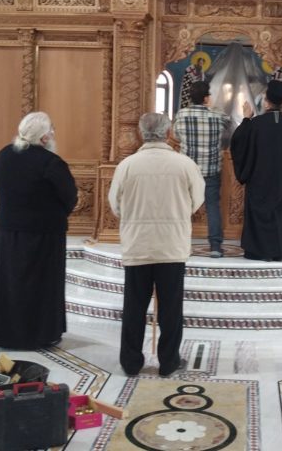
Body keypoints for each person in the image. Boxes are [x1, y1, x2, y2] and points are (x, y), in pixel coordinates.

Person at [109, 113, 205, 377]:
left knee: (134, 308)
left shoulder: (127, 165)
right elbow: (196, 201)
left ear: (141, 133)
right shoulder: (184, 164)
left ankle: (131, 362)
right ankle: (168, 362)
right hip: (171, 246)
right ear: (168, 133)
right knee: (171, 310)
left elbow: (115, 204)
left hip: (137, 245)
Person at [0, 111, 77, 349]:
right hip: (45, 234)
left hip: (9, 231)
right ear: (44, 138)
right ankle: (40, 334)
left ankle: (6, 333)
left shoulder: (4, 155)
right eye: (51, 130)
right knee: (42, 284)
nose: (53, 134)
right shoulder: (50, 162)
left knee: (10, 282)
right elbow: (70, 196)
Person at [230, 80, 282, 261]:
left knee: (260, 216)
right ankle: (279, 251)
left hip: (259, 182)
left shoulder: (255, 124)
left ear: (266, 102)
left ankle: (257, 251)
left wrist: (246, 118)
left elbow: (238, 142)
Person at [174, 81, 230, 258]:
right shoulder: (217, 115)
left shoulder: (182, 114)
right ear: (206, 98)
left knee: (183, 206)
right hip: (211, 170)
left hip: (187, 170)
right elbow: (229, 125)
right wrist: (211, 107)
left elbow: (175, 135)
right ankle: (215, 246)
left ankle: (182, 244)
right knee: (212, 206)